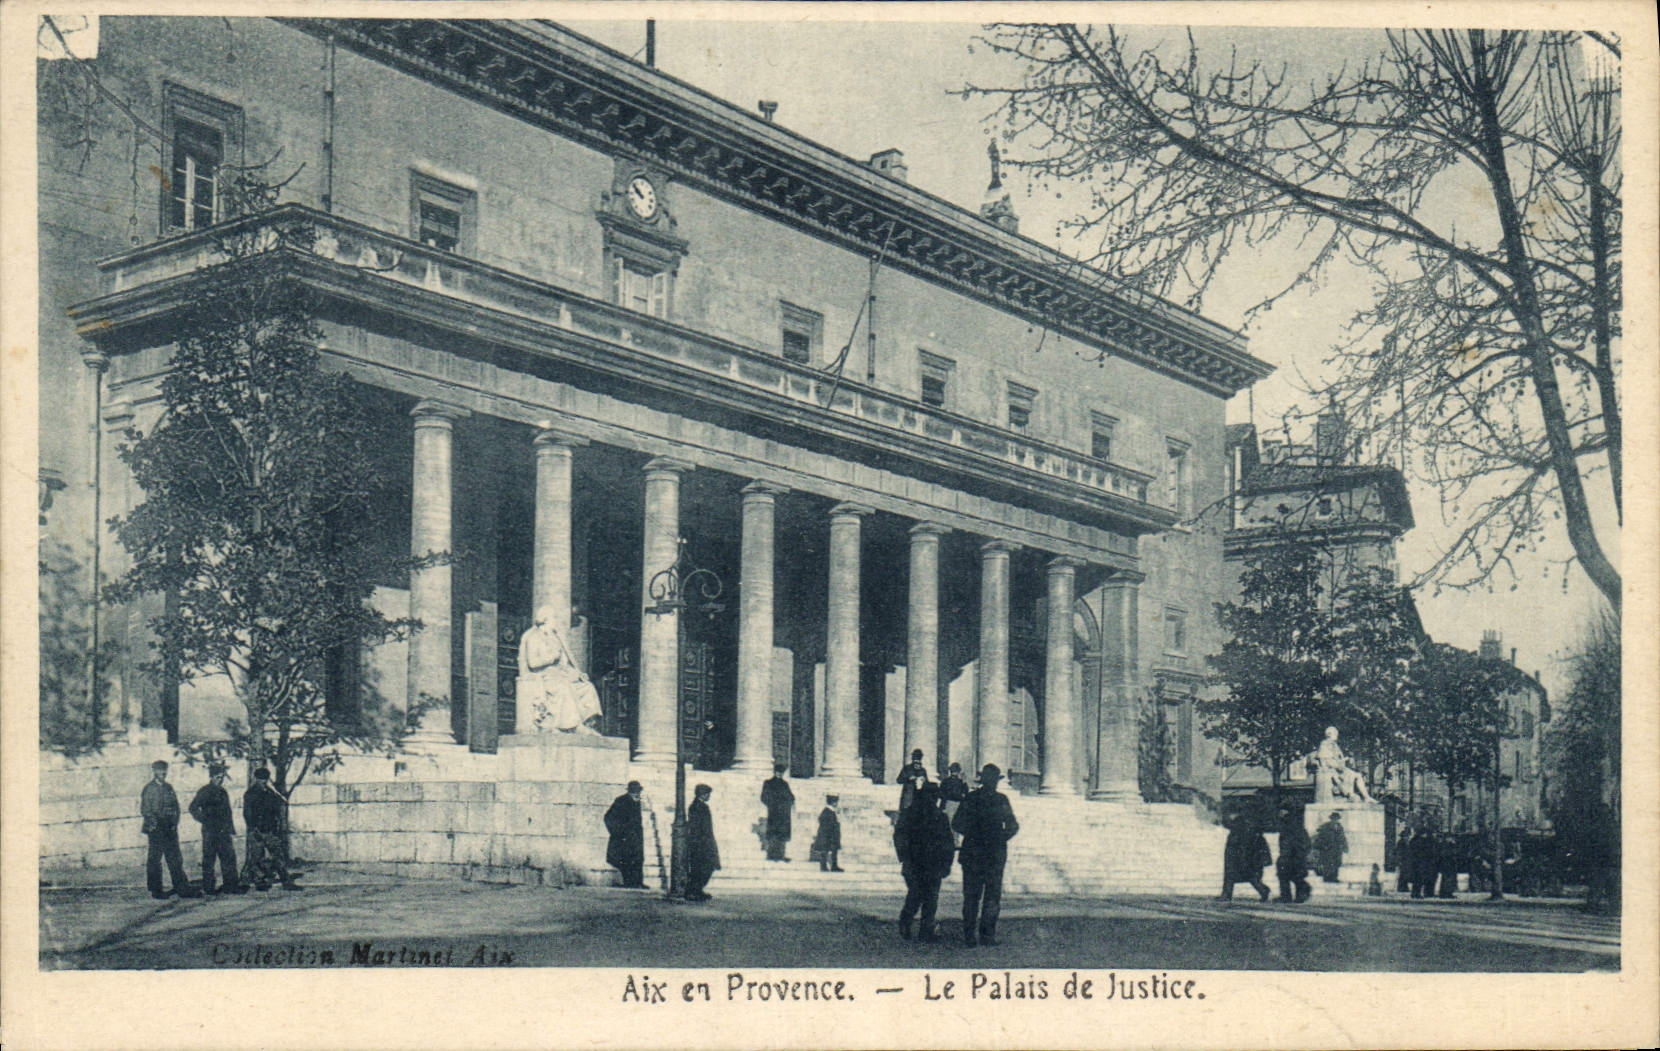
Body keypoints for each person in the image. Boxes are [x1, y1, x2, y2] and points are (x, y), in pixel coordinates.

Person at [953, 763, 1019, 947]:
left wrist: (973, 835)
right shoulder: (1001, 800)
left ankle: (969, 937)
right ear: (995, 781)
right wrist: (999, 838)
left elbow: (957, 823)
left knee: (971, 897)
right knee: (991, 896)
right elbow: (1013, 826)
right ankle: (987, 936)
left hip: (973, 854)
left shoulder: (971, 798)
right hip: (994, 855)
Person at [518, 605, 602, 733]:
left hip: (561, 674)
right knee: (564, 686)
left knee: (587, 687)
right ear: (545, 619)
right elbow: (533, 663)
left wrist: (577, 674)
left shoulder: (556, 638)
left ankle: (588, 723)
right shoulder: (534, 637)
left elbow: (564, 664)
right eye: (554, 618)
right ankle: (572, 726)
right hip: (545, 676)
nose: (556, 621)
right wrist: (551, 658)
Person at [895, 782, 955, 942]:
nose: (933, 799)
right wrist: (904, 857)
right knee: (921, 896)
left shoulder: (938, 817)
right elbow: (900, 837)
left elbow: (948, 843)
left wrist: (947, 863)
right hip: (919, 863)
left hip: (928, 864)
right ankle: (910, 924)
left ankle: (921, 928)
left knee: (926, 897)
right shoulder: (914, 814)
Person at [140, 760, 201, 900]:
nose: (163, 773)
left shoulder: (169, 787)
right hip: (156, 828)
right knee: (155, 860)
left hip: (169, 827)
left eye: (164, 770)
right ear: (154, 771)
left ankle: (182, 888)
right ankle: (156, 890)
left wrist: (174, 822)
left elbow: (176, 807)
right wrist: (155, 823)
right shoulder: (149, 788)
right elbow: (145, 810)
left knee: (175, 859)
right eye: (160, 770)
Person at [189, 763, 246, 895]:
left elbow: (228, 812)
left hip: (223, 830)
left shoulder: (222, 792)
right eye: (218, 777)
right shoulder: (204, 791)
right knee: (209, 859)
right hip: (210, 831)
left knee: (229, 858)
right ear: (212, 776)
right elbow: (193, 808)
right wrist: (204, 819)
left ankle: (230, 886)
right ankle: (209, 887)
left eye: (222, 777)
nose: (220, 780)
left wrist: (230, 828)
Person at [243, 767, 300, 892]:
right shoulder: (250, 794)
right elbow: (247, 814)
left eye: (265, 779)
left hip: (270, 830)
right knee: (257, 857)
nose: (263, 781)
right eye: (260, 779)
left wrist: (277, 826)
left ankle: (286, 881)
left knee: (278, 856)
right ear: (256, 779)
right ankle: (260, 882)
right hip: (257, 830)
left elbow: (277, 809)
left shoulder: (270, 793)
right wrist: (253, 829)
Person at [1218, 815, 1273, 902]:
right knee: (1234, 870)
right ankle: (1227, 893)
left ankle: (1262, 890)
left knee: (1247, 871)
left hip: (1247, 840)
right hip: (1241, 839)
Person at [604, 780, 646, 888]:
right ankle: (629, 882)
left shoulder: (638, 802)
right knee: (626, 859)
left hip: (636, 837)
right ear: (630, 791)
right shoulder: (621, 801)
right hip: (624, 837)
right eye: (636, 791)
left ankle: (638, 882)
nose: (638, 793)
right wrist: (618, 832)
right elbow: (608, 817)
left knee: (638, 859)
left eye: (638, 791)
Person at [685, 783, 720, 902]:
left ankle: (697, 890)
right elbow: (696, 827)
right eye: (707, 794)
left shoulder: (702, 806)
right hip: (700, 843)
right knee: (699, 868)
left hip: (705, 841)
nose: (709, 796)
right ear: (702, 794)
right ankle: (693, 891)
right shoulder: (695, 806)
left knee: (706, 867)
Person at [1275, 805, 1312, 903]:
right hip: (1295, 855)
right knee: (1294, 876)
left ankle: (1288, 896)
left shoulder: (1287, 824)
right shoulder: (1296, 823)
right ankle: (1299, 895)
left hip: (1290, 855)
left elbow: (1288, 841)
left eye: (1281, 811)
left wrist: (1285, 853)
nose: (1279, 814)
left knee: (1286, 876)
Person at [760, 763, 795, 862]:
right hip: (774, 812)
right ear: (774, 772)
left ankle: (781, 855)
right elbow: (764, 797)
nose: (779, 774)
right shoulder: (768, 783)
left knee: (783, 835)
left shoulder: (785, 784)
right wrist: (772, 805)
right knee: (773, 834)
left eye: (781, 772)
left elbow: (791, 796)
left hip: (784, 813)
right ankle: (772, 855)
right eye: (778, 772)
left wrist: (788, 803)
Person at [1312, 812, 1348, 883]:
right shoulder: (1326, 827)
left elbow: (1343, 838)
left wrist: (1345, 847)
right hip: (1327, 849)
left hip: (1337, 849)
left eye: (1336, 819)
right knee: (1328, 864)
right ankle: (1327, 877)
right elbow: (1320, 837)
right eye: (1333, 819)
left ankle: (1334, 877)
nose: (1335, 820)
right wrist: (1322, 846)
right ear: (1331, 819)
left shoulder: (1340, 827)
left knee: (1336, 863)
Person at [812, 795, 844, 872]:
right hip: (828, 835)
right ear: (833, 802)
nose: (837, 803)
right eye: (836, 801)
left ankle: (833, 866)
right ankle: (824, 866)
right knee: (825, 850)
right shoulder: (827, 811)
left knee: (833, 850)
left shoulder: (831, 811)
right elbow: (825, 823)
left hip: (832, 835)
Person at [896, 748, 930, 813]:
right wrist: (908, 778)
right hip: (908, 799)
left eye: (919, 759)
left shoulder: (923, 770)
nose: (917, 761)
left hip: (919, 799)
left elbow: (927, 784)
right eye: (915, 758)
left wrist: (924, 781)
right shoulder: (907, 768)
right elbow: (899, 780)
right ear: (912, 759)